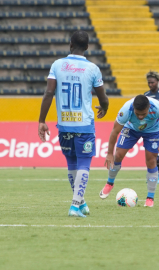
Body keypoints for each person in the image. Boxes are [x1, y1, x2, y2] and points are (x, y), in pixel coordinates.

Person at [38, 30, 109, 218]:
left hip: (64, 125)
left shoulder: (57, 65)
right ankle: (74, 206)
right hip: (84, 124)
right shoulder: (93, 69)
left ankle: (81, 202)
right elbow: (103, 97)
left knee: (71, 163)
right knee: (84, 163)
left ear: (70, 45)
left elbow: (48, 93)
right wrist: (104, 107)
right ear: (87, 47)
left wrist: (41, 121)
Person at [99, 95, 159, 207]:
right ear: (133, 108)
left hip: (152, 131)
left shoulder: (157, 107)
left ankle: (150, 198)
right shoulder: (126, 109)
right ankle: (109, 183)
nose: (141, 117)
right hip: (131, 129)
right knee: (118, 155)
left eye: (143, 114)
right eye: (137, 114)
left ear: (149, 107)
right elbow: (114, 132)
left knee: (151, 160)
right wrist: (109, 154)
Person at [144, 70, 159, 184]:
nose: (150, 84)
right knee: (152, 151)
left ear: (157, 82)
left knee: (156, 150)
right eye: (149, 82)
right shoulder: (146, 95)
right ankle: (158, 173)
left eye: (152, 82)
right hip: (150, 127)